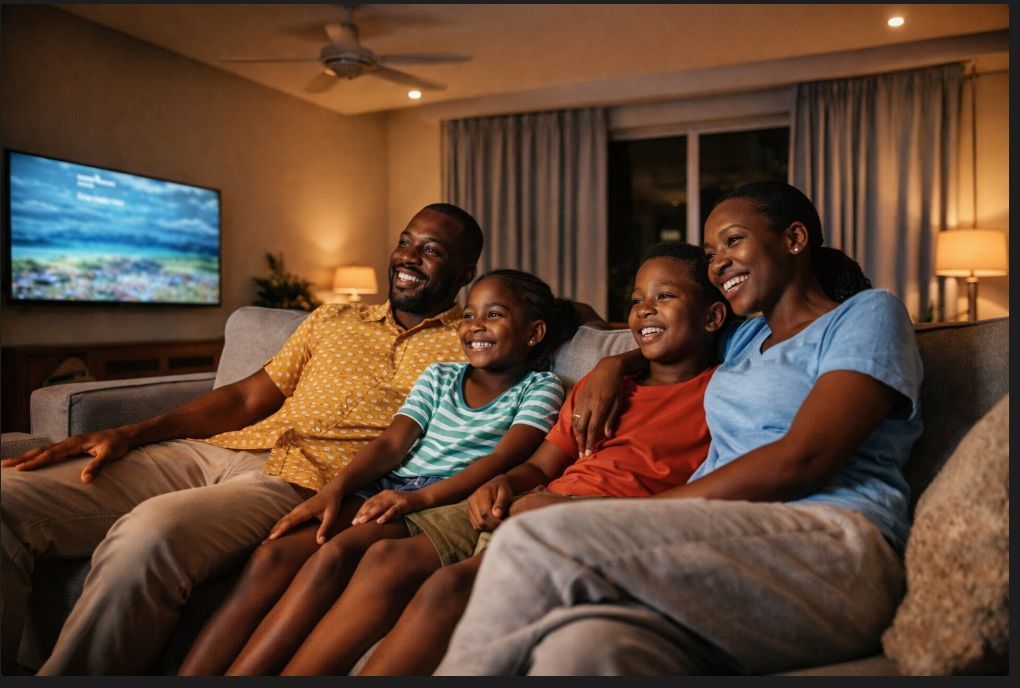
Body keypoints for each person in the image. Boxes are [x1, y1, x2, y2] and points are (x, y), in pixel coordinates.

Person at [434, 181, 924, 676]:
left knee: (533, 537)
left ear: (795, 239)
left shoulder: (867, 314)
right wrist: (613, 366)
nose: (718, 263)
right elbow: (668, 335)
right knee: (583, 647)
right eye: (711, 253)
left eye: (733, 241)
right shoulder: (745, 336)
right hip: (731, 542)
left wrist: (634, 517)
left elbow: (804, 459)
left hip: (837, 545)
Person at [0, 203, 485, 676]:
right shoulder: (333, 319)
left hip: (300, 481)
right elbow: (249, 397)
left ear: (464, 274)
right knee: (8, 498)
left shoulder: (474, 346)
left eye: (431, 250)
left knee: (150, 534)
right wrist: (131, 433)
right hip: (217, 449)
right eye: (405, 241)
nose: (408, 257)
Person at [267, 241, 729, 676]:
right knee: (384, 556)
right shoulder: (602, 387)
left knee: (447, 589)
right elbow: (540, 466)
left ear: (713, 317)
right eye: (635, 300)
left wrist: (548, 502)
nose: (643, 309)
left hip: (593, 521)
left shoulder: (723, 394)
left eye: (663, 295)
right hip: (533, 501)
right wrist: (507, 482)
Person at [177, 269, 579, 675]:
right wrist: (335, 490)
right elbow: (391, 444)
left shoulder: (540, 387)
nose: (475, 326)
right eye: (470, 314)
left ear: (533, 333)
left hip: (441, 498)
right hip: (387, 486)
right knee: (273, 554)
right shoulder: (440, 376)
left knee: (334, 554)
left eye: (493, 315)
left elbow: (500, 462)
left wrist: (416, 499)